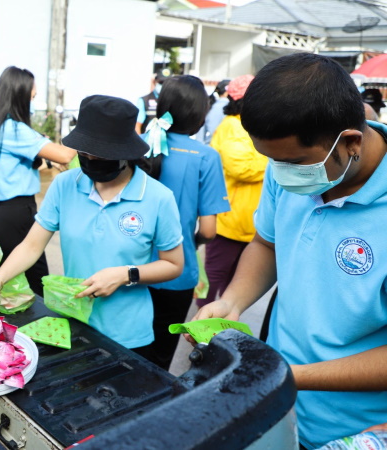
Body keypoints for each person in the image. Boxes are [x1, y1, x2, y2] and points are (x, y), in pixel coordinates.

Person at [189, 53, 387, 448]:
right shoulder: (291, 167)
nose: (280, 174)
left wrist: (290, 374)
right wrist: (232, 302)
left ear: (350, 142)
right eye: (272, 161)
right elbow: (266, 242)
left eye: (293, 162)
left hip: (353, 430)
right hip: (280, 407)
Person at [0, 95, 184, 358]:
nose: (87, 159)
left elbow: (173, 265)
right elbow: (32, 246)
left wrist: (126, 274)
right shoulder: (65, 184)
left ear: (123, 153)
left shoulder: (157, 197)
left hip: (127, 332)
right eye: (83, 151)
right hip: (73, 321)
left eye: (96, 154)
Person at [140, 75, 230, 370]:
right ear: (199, 113)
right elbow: (208, 230)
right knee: (160, 357)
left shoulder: (140, 147)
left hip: (130, 267)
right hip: (177, 271)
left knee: (129, 349)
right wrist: (192, 244)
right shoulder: (206, 156)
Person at [0, 66, 76, 296]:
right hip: (16, 215)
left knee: (7, 290)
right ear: (19, 98)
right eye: (32, 98)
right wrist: (85, 135)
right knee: (38, 288)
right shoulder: (15, 130)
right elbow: (65, 155)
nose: (33, 103)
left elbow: (37, 159)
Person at [203, 74, 268, 306]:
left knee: (234, 286)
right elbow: (241, 168)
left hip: (249, 223)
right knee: (212, 281)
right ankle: (201, 332)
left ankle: (222, 331)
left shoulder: (251, 126)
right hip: (229, 222)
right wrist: (273, 159)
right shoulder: (232, 126)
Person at [135, 68, 172, 134]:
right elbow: (137, 125)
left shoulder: (174, 100)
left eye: (166, 83)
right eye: (161, 82)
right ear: (155, 81)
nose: (163, 85)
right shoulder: (144, 100)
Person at [198, 79, 230, 144]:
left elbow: (200, 136)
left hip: (207, 147)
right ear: (227, 92)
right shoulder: (229, 108)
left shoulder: (210, 105)